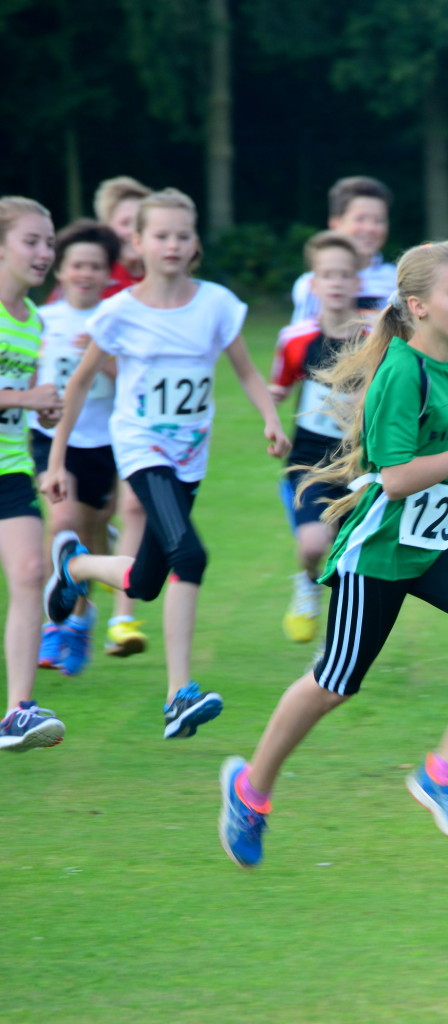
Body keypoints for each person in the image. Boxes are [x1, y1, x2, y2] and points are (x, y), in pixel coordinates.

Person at [219, 239, 448, 868]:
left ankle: (444, 774)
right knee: (334, 685)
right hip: (381, 552)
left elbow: (439, 441)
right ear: (417, 306)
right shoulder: (402, 369)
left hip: (439, 542)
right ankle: (249, 790)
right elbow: (393, 478)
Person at [41, 187, 290, 740]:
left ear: (194, 240)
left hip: (190, 457)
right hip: (140, 448)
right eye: (161, 235)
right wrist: (57, 460)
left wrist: (270, 418)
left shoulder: (217, 305)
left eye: (182, 235)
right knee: (191, 554)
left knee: (147, 579)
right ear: (138, 242)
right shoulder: (119, 312)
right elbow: (79, 382)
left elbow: (247, 371)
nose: (172, 244)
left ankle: (76, 568)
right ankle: (180, 695)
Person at [31, 219, 121, 676]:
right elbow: (27, 373)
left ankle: (82, 621)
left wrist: (103, 360)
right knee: (61, 523)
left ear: (108, 274)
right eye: (76, 265)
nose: (85, 274)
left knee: (86, 536)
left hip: (102, 442)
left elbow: (136, 383)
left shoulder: (116, 319)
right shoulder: (43, 320)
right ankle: (57, 626)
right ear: (60, 272)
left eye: (95, 267)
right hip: (50, 438)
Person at [271, 230, 360, 643]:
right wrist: (271, 421)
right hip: (310, 461)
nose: (337, 283)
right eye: (328, 275)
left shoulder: (379, 337)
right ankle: (307, 583)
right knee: (312, 544)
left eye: (345, 275)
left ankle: (337, 648)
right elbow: (279, 388)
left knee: (350, 561)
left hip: (361, 463)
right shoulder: (295, 339)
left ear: (357, 283)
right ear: (313, 283)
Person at [0, 196, 66, 751]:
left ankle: (17, 710)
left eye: (49, 242)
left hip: (10, 466)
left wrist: (39, 408)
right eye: (31, 241)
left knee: (28, 571)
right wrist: (25, 395)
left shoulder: (34, 321)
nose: (44, 252)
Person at [92, 176, 153, 658]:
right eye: (123, 223)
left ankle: (123, 619)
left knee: (133, 509)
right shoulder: (90, 275)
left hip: (139, 421)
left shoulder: (155, 286)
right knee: (99, 515)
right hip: (93, 422)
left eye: (140, 223)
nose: (132, 233)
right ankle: (87, 570)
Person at [291, 176, 396, 324]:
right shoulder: (311, 284)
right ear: (335, 223)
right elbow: (301, 338)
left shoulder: (396, 280)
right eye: (361, 219)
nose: (371, 228)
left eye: (379, 221)